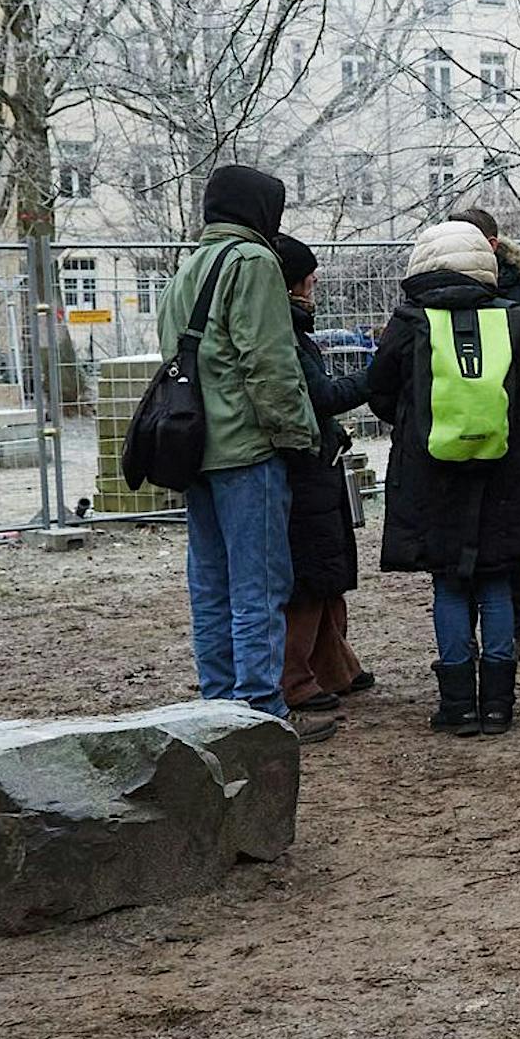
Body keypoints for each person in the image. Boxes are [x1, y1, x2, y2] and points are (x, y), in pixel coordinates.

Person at [365, 218, 520, 735]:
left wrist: (417, 423)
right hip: (504, 469)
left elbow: (378, 389)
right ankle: (498, 703)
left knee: (449, 583)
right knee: (496, 579)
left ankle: (457, 705)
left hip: (431, 473)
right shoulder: (514, 318)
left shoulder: (408, 322)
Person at [157, 164, 318, 721]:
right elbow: (268, 363)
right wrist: (299, 436)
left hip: (193, 447)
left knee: (210, 585)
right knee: (259, 586)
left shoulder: (190, 266)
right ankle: (260, 711)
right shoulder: (253, 263)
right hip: (245, 451)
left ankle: (219, 708)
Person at [449, 205, 520, 668]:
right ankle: (465, 645)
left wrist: (519, 408)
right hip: (452, 441)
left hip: (509, 438)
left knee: (511, 544)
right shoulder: (435, 299)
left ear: (492, 247)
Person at [274, 234, 375, 732]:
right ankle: (296, 677)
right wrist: (377, 374)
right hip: (307, 466)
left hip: (317, 463)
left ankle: (336, 666)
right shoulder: (288, 336)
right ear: (294, 282)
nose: (315, 285)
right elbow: (323, 397)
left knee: (329, 571)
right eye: (309, 277)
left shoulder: (293, 331)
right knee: (314, 573)